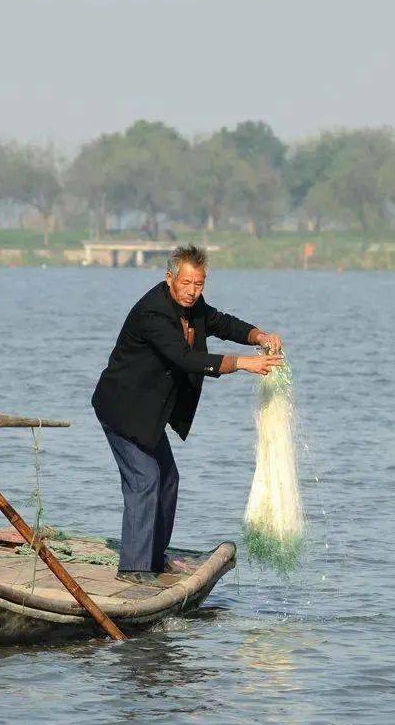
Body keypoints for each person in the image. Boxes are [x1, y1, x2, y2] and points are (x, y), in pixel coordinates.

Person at [91, 245, 284, 586]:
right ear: (170, 278)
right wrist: (242, 363)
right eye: (187, 283)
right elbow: (185, 358)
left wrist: (260, 336)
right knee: (145, 479)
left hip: (148, 413)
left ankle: (153, 558)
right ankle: (134, 572)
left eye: (200, 284)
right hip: (122, 409)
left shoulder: (194, 308)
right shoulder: (153, 313)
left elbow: (222, 323)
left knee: (168, 479)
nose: (193, 291)